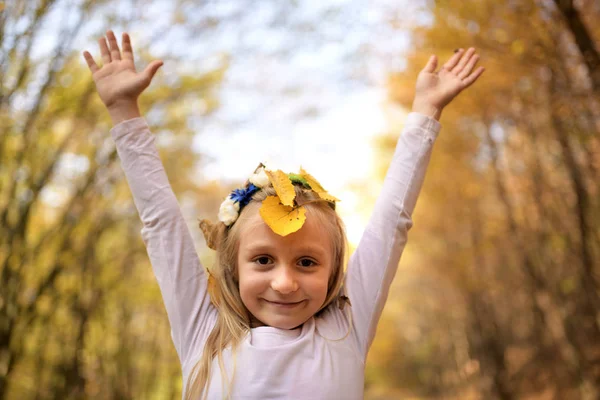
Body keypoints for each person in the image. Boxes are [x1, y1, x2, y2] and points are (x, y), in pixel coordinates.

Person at [83, 30, 484, 400]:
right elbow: (161, 225)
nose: (285, 282)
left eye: (307, 262)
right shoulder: (203, 335)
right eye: (262, 260)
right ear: (234, 267)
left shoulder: (346, 328)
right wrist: (123, 111)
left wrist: (424, 112)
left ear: (332, 273)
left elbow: (391, 223)